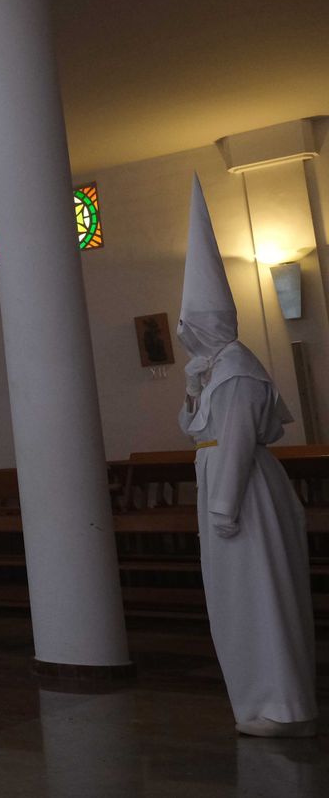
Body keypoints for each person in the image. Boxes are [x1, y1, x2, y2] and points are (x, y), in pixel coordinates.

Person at [177, 176, 317, 738]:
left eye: (192, 325)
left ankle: (281, 704)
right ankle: (259, 701)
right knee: (238, 598)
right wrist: (193, 390)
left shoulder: (236, 370)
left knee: (260, 594)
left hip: (240, 496)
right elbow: (198, 431)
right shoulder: (217, 370)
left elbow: (235, 441)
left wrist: (223, 506)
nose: (186, 334)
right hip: (225, 488)